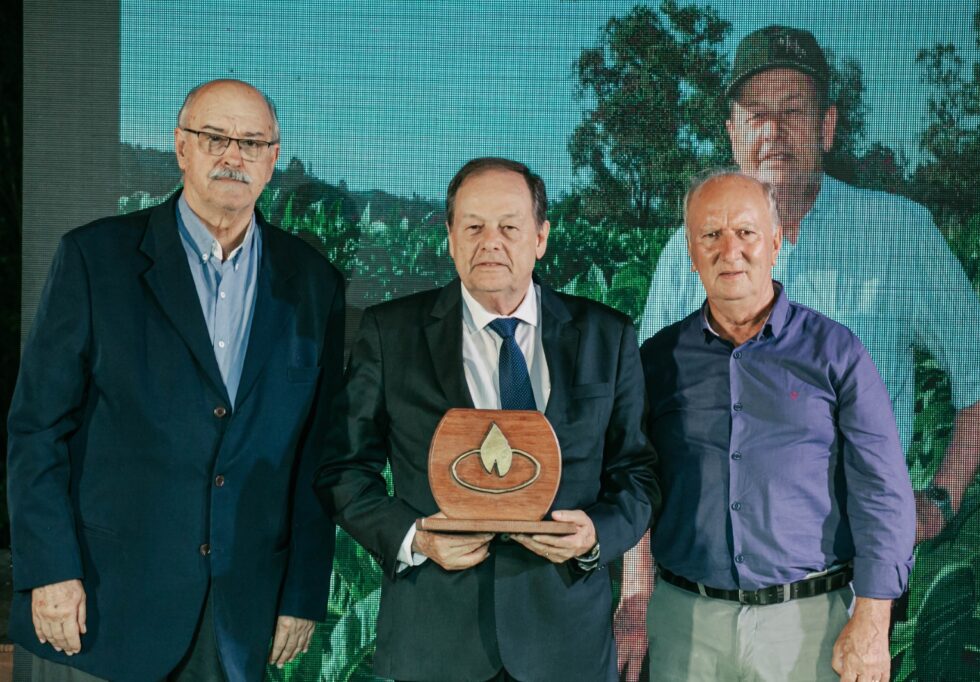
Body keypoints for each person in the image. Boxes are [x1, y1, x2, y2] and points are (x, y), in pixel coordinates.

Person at [617, 26, 980, 680]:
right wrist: (636, 593)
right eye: (756, 115)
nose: (774, 129)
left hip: (849, 594)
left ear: (826, 126)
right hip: (699, 604)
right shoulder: (682, 255)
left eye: (793, 110)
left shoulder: (897, 232)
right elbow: (638, 437)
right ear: (732, 134)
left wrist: (940, 497)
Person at [7, 79, 344, 681]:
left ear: (273, 158)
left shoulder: (314, 283)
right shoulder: (95, 258)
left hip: (238, 620)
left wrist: (301, 591)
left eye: (251, 142)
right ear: (180, 147)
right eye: (214, 137)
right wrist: (50, 570)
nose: (232, 155)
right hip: (95, 612)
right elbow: (37, 429)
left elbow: (316, 454)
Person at [314, 157, 659, 682]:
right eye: (473, 226)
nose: (490, 242)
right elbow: (342, 471)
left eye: (509, 226)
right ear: (450, 237)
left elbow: (638, 473)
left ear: (541, 238)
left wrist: (596, 534)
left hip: (566, 645)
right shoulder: (391, 333)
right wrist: (415, 538)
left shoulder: (606, 336)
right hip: (435, 643)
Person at [641, 170, 914, 681]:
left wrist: (873, 622)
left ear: (774, 241)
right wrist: (634, 600)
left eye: (745, 232)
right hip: (686, 625)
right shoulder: (657, 361)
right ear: (690, 250)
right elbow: (636, 483)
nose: (730, 250)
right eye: (710, 235)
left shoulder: (837, 353)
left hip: (810, 627)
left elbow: (883, 493)